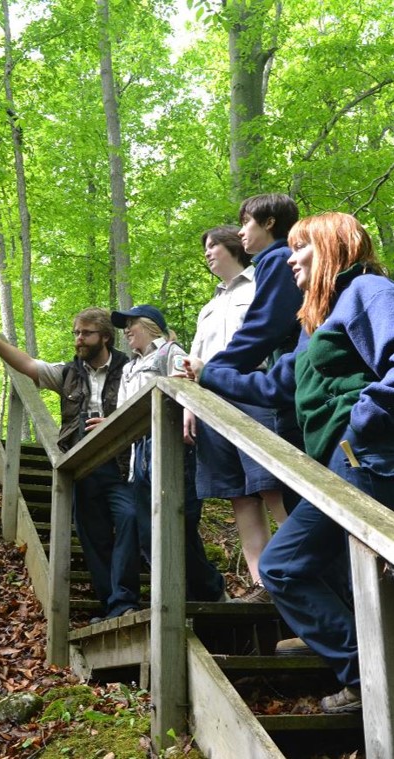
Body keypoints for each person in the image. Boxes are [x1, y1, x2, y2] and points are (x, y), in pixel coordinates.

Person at [185, 212, 394, 713]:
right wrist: (209, 375)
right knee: (334, 572)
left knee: (282, 564)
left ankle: (367, 678)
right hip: (337, 466)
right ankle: (367, 665)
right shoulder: (314, 321)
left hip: (365, 459)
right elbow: (276, 387)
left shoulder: (368, 293)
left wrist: (362, 421)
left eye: (301, 249)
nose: (290, 260)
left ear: (332, 250)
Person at [0, 309, 140, 624]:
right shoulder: (68, 373)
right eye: (76, 332)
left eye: (85, 333)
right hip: (82, 468)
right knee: (95, 538)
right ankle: (113, 607)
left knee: (130, 519)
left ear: (104, 336)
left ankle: (125, 600)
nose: (78, 339)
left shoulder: (130, 371)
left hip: (120, 467)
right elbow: (28, 365)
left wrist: (115, 423)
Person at [184, 225, 287, 599]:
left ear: (232, 247)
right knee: (239, 496)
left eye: (213, 245)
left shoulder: (263, 281)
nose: (208, 252)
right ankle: (265, 589)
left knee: (271, 485)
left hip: (254, 390)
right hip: (211, 401)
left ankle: (302, 572)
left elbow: (272, 333)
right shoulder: (208, 308)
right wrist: (189, 406)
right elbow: (192, 362)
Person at [111, 304, 227, 602]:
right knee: (147, 531)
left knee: (181, 523)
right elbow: (124, 412)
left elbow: (188, 390)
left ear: (150, 325)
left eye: (131, 324)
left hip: (174, 447)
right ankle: (183, 593)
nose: (125, 330)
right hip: (141, 454)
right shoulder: (128, 368)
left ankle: (207, 590)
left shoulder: (171, 352)